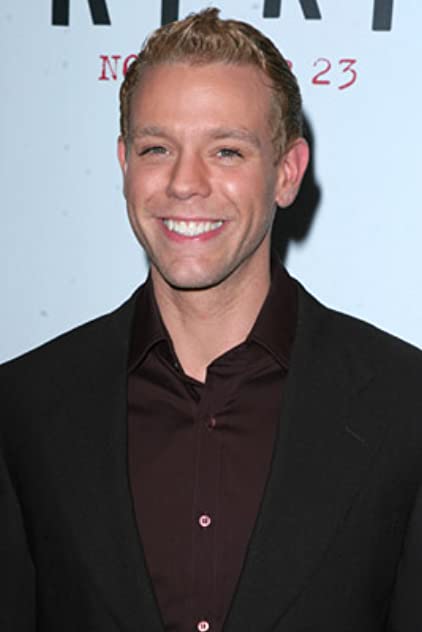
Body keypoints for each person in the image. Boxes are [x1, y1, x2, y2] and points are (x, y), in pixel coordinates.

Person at [1, 7, 421, 632]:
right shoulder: (24, 406)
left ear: (286, 173)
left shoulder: (405, 403)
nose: (184, 183)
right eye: (157, 148)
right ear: (124, 164)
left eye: (226, 151)